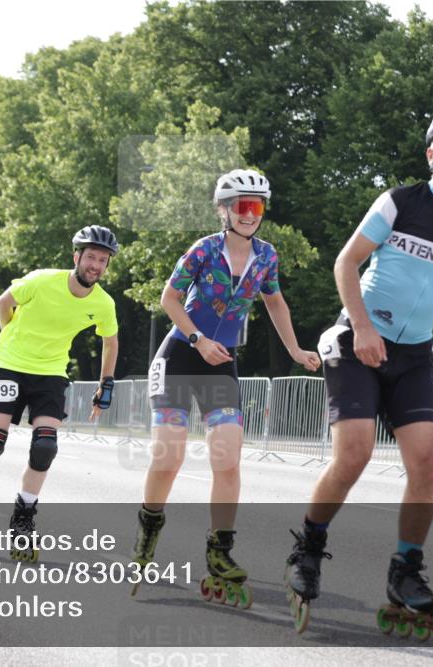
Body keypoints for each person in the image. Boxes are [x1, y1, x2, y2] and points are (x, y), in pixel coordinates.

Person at [285, 108, 433, 637]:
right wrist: (361, 327)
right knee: (355, 453)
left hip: (413, 355)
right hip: (357, 342)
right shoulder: (398, 202)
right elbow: (345, 262)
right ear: (432, 152)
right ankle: (309, 547)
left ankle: (405, 570)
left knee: (428, 460)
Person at [131, 169, 320, 605]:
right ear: (224, 210)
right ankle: (148, 531)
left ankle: (220, 552)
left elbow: (275, 301)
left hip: (221, 364)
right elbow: (168, 299)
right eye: (241, 206)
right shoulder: (203, 249)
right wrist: (197, 338)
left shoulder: (267, 256)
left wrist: (294, 349)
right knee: (169, 456)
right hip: (181, 356)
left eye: (257, 207)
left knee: (228, 460)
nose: (250, 214)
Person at [0, 225, 120, 561]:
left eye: (102, 260)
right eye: (90, 257)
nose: (96, 265)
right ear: (77, 257)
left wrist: (106, 383)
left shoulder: (103, 303)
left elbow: (110, 341)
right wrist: (10, 335)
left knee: (45, 446)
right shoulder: (43, 280)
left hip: (51, 373)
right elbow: (5, 301)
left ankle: (23, 518)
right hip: (10, 364)